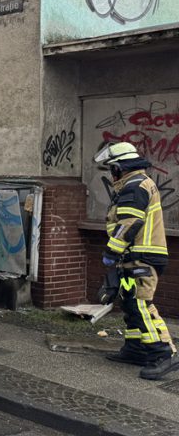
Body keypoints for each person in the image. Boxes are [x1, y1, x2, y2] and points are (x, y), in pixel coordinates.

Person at [95, 142, 177, 380]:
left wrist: (112, 251)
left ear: (119, 168)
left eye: (112, 169)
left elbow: (130, 223)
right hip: (134, 258)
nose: (111, 174)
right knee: (130, 303)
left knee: (141, 304)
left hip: (142, 258)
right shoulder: (136, 184)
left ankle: (164, 353)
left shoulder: (134, 186)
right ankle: (136, 349)